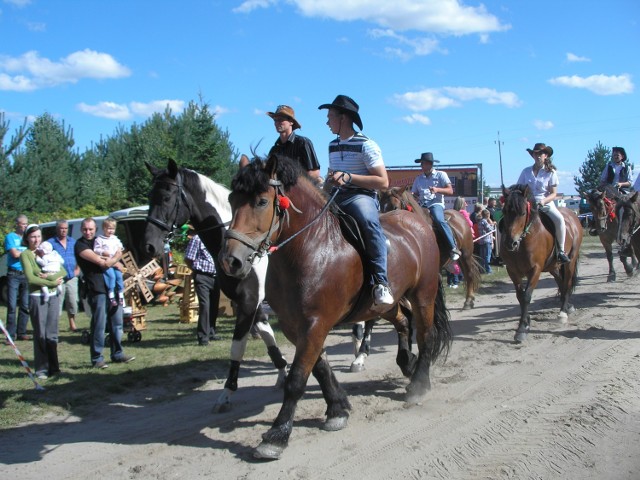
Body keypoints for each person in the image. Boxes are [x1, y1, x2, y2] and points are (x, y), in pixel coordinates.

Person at [318, 94, 393, 307]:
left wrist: (349, 177)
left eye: (330, 116)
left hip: (361, 196)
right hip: (336, 196)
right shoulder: (332, 145)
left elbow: (383, 182)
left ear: (343, 118)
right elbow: (332, 175)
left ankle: (381, 281)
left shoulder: (367, 145)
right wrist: (322, 194)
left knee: (368, 221)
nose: (327, 122)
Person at [75, 218, 134, 368]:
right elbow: (104, 262)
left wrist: (116, 259)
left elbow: (117, 254)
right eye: (85, 229)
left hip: (112, 289)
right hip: (97, 289)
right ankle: (97, 358)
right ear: (81, 230)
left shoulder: (101, 240)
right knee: (99, 324)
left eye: (91, 229)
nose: (88, 232)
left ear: (96, 229)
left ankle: (117, 354)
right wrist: (116, 258)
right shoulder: (80, 245)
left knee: (117, 323)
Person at [20, 224, 66, 379]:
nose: (36, 240)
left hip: (53, 296)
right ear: (27, 238)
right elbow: (31, 278)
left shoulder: (47, 250)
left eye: (38, 236)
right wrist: (52, 282)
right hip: (37, 297)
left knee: (52, 334)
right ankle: (41, 369)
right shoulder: (26, 254)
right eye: (33, 236)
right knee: (40, 333)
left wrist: (51, 279)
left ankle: (54, 367)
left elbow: (63, 270)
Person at [517, 142, 570, 264]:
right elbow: (519, 188)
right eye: (535, 154)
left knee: (560, 220)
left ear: (545, 155)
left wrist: (543, 201)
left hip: (545, 202)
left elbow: (554, 193)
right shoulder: (526, 171)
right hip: (527, 203)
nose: (538, 156)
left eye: (540, 154)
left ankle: (561, 251)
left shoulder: (551, 172)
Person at [411, 152, 462, 261]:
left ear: (430, 164)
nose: (421, 166)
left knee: (439, 220)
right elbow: (414, 193)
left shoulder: (441, 175)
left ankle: (453, 247)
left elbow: (450, 190)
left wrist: (437, 189)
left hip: (435, 203)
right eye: (421, 164)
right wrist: (412, 196)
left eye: (423, 163)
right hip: (421, 205)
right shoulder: (418, 178)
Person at [267, 104, 321, 184]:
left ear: (291, 122)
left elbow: (314, 173)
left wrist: (296, 185)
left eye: (281, 119)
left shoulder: (303, 143)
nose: (277, 123)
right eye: (275, 120)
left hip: (301, 193)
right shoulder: (274, 150)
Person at [184, 233, 221, 345]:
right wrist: (196, 271)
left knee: (214, 305)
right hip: (202, 276)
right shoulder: (197, 239)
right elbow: (188, 259)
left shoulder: (216, 238)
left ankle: (211, 332)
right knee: (205, 305)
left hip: (215, 277)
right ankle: (203, 337)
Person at [49, 220, 80, 332]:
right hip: (58, 278)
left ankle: (72, 324)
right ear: (57, 229)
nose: (64, 230)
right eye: (62, 228)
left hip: (72, 277)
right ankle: (54, 326)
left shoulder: (73, 241)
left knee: (73, 302)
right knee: (57, 303)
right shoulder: (51, 243)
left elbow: (78, 256)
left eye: (66, 228)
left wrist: (77, 269)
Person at [4, 214, 31, 342]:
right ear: (17, 224)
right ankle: (10, 334)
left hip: (26, 273)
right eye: (23, 224)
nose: (25, 226)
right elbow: (14, 254)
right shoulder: (10, 237)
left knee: (25, 304)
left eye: (26, 224)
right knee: (12, 304)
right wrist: (27, 253)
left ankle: (22, 332)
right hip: (13, 274)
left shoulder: (27, 238)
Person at [93, 217, 125, 307]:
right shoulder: (100, 239)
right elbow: (96, 249)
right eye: (109, 228)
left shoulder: (115, 239)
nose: (111, 231)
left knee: (119, 276)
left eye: (113, 229)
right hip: (107, 262)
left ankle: (120, 294)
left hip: (115, 261)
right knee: (111, 276)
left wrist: (119, 249)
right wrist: (103, 252)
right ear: (104, 228)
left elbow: (120, 246)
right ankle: (111, 294)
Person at [477, 209, 495, 274]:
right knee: (487, 256)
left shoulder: (480, 221)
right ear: (488, 215)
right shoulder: (484, 222)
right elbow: (490, 229)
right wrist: (493, 224)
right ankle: (488, 270)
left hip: (481, 241)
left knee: (482, 256)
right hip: (487, 240)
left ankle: (481, 269)